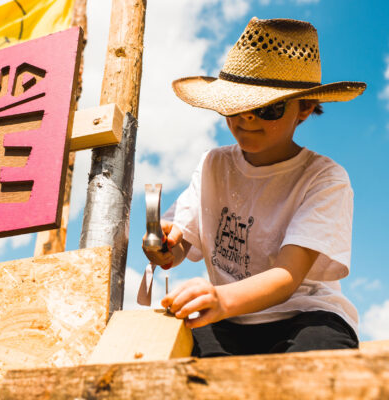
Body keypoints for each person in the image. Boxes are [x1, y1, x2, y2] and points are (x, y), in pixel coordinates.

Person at [143, 17, 366, 357]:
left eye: (266, 109)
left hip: (302, 315)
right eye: (238, 106)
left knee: (319, 359)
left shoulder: (323, 178)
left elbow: (287, 276)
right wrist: (163, 247)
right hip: (227, 319)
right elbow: (179, 248)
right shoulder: (212, 165)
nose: (247, 119)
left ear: (304, 108)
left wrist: (221, 298)